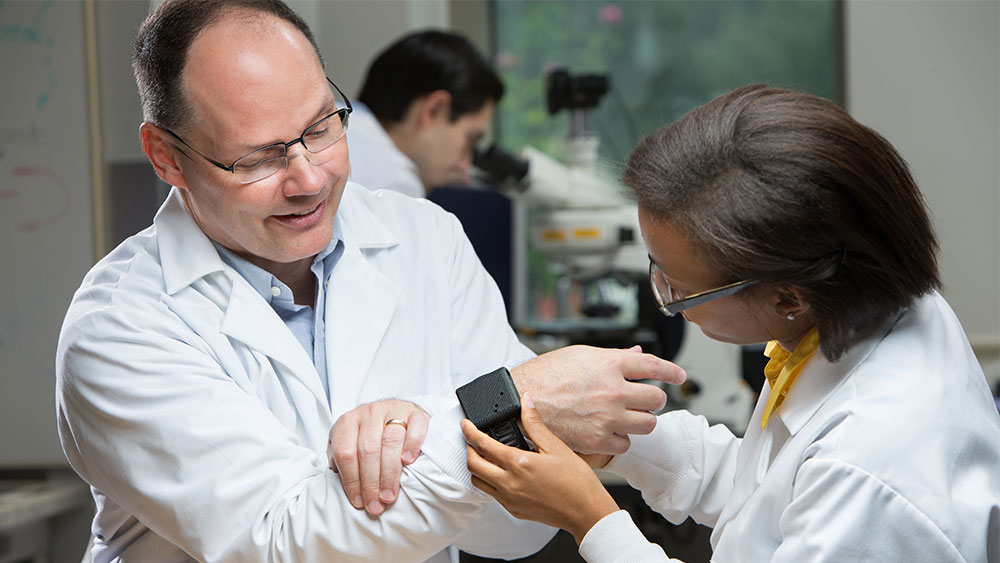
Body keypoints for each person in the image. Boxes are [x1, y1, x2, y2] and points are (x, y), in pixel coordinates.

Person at [53, 1, 686, 562]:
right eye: (258, 158)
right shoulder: (119, 327)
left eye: (321, 128)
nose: (308, 179)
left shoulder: (423, 241)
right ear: (167, 157)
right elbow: (281, 539)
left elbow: (512, 533)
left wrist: (432, 425)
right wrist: (496, 409)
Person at [464, 85, 1000, 562]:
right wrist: (622, 443)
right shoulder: (870, 306)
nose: (666, 298)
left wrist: (591, 520)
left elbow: (820, 485)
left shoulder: (868, 469)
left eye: (675, 287)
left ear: (787, 296)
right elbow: (765, 496)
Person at [346, 30, 502, 198]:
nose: (465, 166)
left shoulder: (334, 121)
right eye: (470, 140)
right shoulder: (393, 186)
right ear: (434, 110)